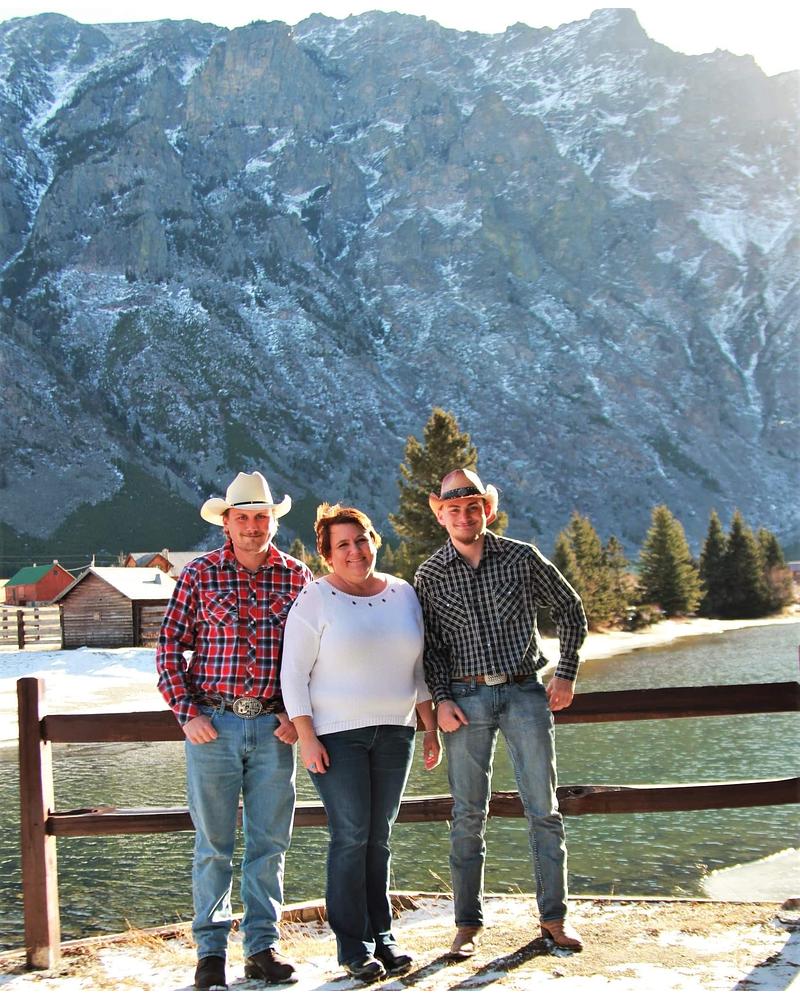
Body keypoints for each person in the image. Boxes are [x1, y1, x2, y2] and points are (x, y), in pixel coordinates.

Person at [414, 468, 588, 958]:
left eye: (472, 507)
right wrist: (442, 699)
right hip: (464, 701)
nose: (464, 516)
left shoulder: (521, 557)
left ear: (486, 510)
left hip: (524, 693)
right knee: (467, 814)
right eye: (453, 509)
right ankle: (467, 926)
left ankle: (553, 919)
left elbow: (570, 609)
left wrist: (566, 673)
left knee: (544, 809)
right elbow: (431, 648)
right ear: (441, 514)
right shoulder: (429, 574)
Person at [156, 471, 313, 991]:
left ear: (273, 522)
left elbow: (316, 654)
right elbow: (168, 647)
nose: (252, 526)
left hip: (274, 729)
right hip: (214, 726)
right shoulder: (199, 575)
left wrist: (296, 714)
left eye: (260, 517)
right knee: (213, 845)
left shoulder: (297, 577)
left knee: (270, 843)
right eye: (242, 517)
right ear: (226, 523)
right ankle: (210, 953)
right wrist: (187, 713)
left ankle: (262, 948)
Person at [280, 503, 442, 983]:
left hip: (396, 731)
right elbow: (293, 675)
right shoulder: (314, 598)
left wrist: (429, 726)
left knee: (379, 836)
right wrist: (307, 738)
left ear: (375, 541)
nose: (355, 551)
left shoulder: (403, 593)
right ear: (328, 554)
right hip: (335, 736)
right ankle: (353, 946)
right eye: (342, 545)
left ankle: (384, 936)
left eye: (361, 540)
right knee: (351, 835)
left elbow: (417, 668)